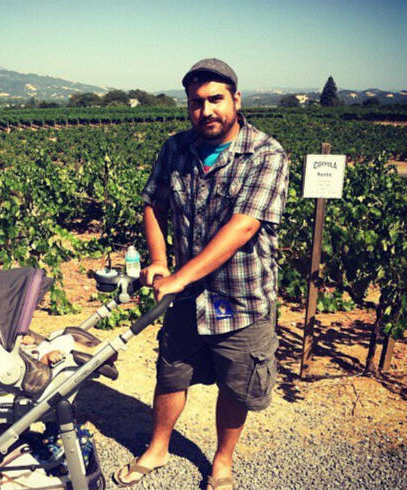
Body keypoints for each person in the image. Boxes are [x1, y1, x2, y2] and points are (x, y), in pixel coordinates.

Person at [113, 58, 289, 489]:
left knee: (236, 386)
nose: (206, 110)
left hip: (243, 297)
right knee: (171, 372)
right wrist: (158, 260)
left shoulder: (266, 154)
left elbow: (243, 226)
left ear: (236, 100)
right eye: (196, 102)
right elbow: (153, 203)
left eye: (215, 99)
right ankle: (157, 449)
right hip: (186, 298)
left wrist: (177, 278)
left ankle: (222, 462)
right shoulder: (175, 148)